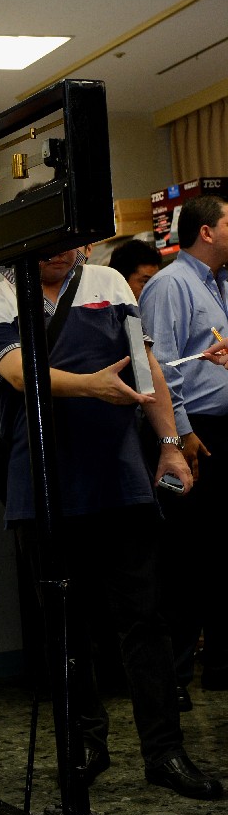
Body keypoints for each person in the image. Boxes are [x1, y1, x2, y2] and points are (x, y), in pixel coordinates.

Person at [0, 241, 223, 800]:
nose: (63, 253)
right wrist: (92, 386)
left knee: (146, 620)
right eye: (49, 245)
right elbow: (19, 375)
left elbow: (145, 367)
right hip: (41, 483)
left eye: (72, 243)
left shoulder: (109, 285)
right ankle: (86, 743)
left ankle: (165, 751)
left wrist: (170, 445)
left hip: (119, 478)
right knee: (65, 626)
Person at [139, 194, 228, 708]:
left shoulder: (218, 282)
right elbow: (161, 365)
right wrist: (182, 432)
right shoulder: (170, 284)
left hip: (222, 429)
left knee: (220, 553)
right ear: (206, 232)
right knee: (186, 557)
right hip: (194, 432)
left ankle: (219, 666)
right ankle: (171, 680)